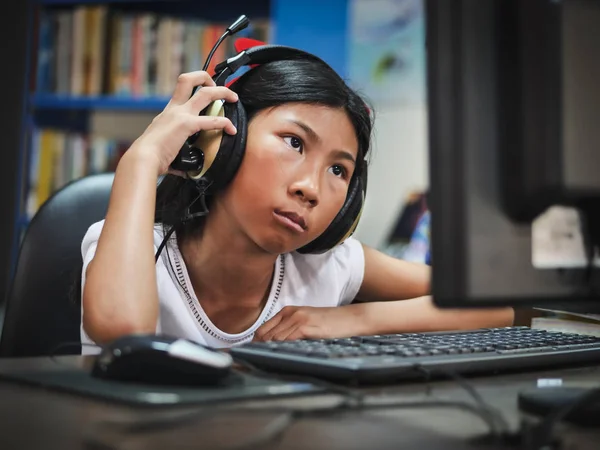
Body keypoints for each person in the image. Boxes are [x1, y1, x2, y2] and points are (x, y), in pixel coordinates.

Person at [80, 49, 514, 351]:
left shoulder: (328, 266)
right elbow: (124, 330)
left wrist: (353, 320)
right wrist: (142, 158)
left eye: (339, 170)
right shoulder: (128, 251)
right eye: (294, 142)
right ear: (221, 138)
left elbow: (495, 303)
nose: (310, 187)